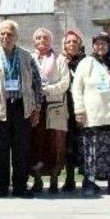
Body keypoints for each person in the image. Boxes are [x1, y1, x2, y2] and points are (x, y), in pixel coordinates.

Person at [0, 20, 43, 198]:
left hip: (22, 108)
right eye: (3, 34)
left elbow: (38, 84)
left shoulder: (26, 56)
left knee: (21, 150)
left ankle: (20, 187)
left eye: (10, 34)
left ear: (16, 36)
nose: (6, 37)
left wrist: (37, 108)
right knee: (0, 151)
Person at [71, 32, 110, 195]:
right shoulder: (86, 63)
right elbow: (77, 89)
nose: (101, 47)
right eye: (97, 44)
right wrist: (79, 111)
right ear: (93, 46)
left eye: (104, 44)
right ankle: (90, 182)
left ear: (109, 45)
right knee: (93, 151)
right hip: (93, 117)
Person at [29, 28, 71, 195]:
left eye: (45, 38)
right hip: (35, 108)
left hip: (55, 108)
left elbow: (64, 83)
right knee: (36, 144)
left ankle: (54, 179)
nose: (42, 41)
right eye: (38, 38)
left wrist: (46, 90)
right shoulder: (29, 59)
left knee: (56, 145)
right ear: (34, 41)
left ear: (51, 40)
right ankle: (37, 180)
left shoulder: (60, 60)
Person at [61, 30, 86, 191]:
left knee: (85, 143)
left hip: (84, 108)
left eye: (74, 42)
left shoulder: (87, 62)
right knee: (68, 144)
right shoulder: (61, 62)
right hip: (66, 108)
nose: (71, 45)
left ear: (80, 45)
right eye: (68, 42)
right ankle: (69, 178)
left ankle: (87, 178)